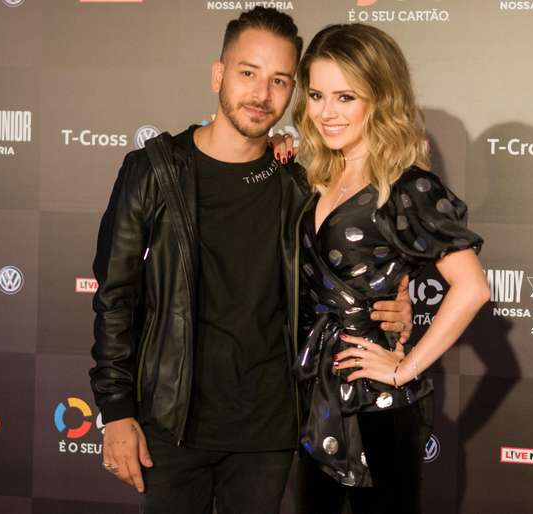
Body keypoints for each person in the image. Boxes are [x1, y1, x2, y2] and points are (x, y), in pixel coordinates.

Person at [88, 8, 413, 514]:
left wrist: (398, 300)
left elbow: (351, 266)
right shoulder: (153, 171)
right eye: (248, 73)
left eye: (280, 80)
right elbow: (114, 296)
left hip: (269, 431)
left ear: (293, 92)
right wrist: (115, 412)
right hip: (171, 423)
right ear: (218, 74)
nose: (262, 95)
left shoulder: (300, 184)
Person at [284, 23, 491, 514]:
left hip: (377, 405)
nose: (326, 112)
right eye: (316, 94)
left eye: (345, 97)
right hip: (317, 393)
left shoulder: (407, 187)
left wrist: (405, 368)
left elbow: (472, 288)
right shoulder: (316, 174)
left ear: (379, 98)